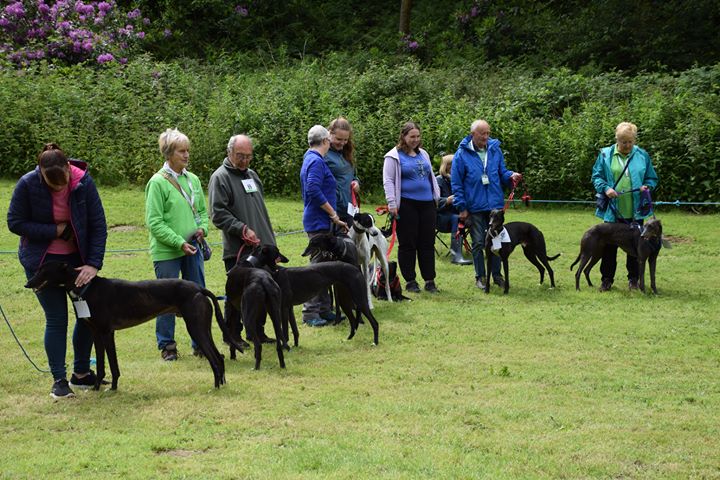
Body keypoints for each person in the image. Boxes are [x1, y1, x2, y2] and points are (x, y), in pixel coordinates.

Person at [7, 143, 108, 399]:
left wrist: (93, 264)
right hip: (42, 264)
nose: (60, 189)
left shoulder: (84, 182)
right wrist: (54, 231)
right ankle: (59, 380)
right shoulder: (27, 184)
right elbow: (15, 222)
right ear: (41, 174)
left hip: (78, 263)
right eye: (54, 187)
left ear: (68, 169)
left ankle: (82, 374)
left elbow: (98, 225)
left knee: (86, 316)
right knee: (57, 319)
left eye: (63, 184)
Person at [145, 128, 209, 360]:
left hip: (193, 248)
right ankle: (167, 345)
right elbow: (154, 222)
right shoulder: (157, 183)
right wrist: (178, 242)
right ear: (169, 154)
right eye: (182, 151)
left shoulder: (192, 180)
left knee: (196, 296)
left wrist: (203, 229)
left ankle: (200, 341)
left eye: (188, 151)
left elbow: (201, 211)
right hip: (167, 251)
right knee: (166, 300)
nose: (186, 155)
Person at [208, 134, 274, 345]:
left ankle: (256, 332)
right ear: (229, 153)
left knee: (262, 289)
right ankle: (232, 335)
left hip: (261, 247)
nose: (245, 161)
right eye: (240, 156)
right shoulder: (220, 177)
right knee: (237, 294)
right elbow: (217, 213)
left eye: (248, 156)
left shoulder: (252, 175)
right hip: (239, 248)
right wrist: (242, 228)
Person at [451, 119, 521, 289]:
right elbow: (457, 183)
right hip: (474, 206)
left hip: (494, 206)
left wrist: (511, 176)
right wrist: (462, 207)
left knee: (497, 242)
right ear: (473, 134)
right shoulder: (461, 154)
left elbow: (501, 173)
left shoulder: (495, 150)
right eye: (483, 133)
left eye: (488, 133)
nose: (486, 136)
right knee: (478, 243)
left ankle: (496, 275)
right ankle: (480, 277)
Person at [591, 121, 658, 291]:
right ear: (617, 140)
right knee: (608, 246)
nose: (627, 145)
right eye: (623, 142)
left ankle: (633, 279)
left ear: (634, 140)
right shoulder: (605, 155)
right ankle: (607, 280)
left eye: (630, 142)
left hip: (636, 210)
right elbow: (596, 176)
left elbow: (651, 178)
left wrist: (647, 187)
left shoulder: (642, 155)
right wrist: (606, 188)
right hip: (612, 211)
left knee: (637, 246)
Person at [382, 121, 440, 294]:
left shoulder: (424, 154)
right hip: (406, 204)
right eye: (411, 136)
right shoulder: (393, 156)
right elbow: (388, 180)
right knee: (408, 243)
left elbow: (430, 176)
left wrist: (436, 196)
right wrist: (392, 203)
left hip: (427, 203)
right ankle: (410, 280)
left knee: (427, 242)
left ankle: (430, 280)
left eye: (417, 136)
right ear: (403, 137)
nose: (415, 140)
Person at [300, 124, 348, 326]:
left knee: (326, 266)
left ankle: (325, 309)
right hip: (319, 221)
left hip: (320, 220)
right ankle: (310, 312)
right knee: (317, 268)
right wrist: (333, 214)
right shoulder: (316, 161)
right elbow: (313, 189)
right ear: (326, 141)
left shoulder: (311, 158)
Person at [436, 154, 472, 265]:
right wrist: (447, 200)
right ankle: (456, 256)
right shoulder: (438, 180)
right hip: (441, 218)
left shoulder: (461, 180)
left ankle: (484, 248)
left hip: (459, 215)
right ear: (446, 167)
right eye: (454, 166)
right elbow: (433, 202)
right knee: (457, 218)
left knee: (479, 215)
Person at [325, 117, 360, 222]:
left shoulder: (347, 152)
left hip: (349, 208)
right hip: (333, 210)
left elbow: (353, 175)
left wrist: (356, 182)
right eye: (339, 139)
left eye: (345, 140)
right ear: (329, 134)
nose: (342, 143)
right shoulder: (323, 154)